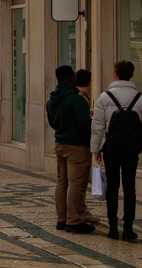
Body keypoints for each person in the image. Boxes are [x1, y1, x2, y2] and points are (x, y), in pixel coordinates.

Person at [91, 59, 142, 241]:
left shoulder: (105, 97)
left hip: (111, 149)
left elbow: (97, 126)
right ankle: (128, 229)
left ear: (115, 75)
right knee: (129, 188)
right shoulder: (140, 98)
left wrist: (96, 149)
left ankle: (113, 228)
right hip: (132, 150)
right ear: (132, 75)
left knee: (112, 187)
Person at [47, 65, 95, 234]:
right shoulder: (76, 99)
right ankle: (74, 220)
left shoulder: (52, 100)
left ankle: (61, 219)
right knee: (76, 183)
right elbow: (85, 123)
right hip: (77, 146)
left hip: (60, 143)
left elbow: (52, 122)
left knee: (61, 182)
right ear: (72, 78)